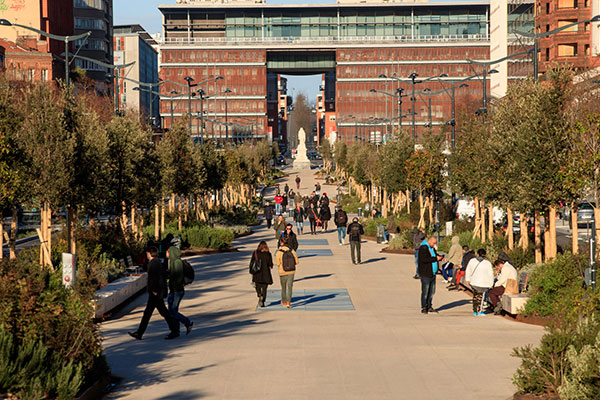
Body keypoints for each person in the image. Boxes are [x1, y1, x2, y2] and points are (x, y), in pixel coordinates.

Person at [129, 246, 180, 340]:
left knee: (158, 313)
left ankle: (174, 330)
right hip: (156, 292)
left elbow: (155, 279)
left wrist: (155, 291)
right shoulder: (157, 262)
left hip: (155, 293)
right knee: (152, 313)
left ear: (148, 253)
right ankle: (139, 333)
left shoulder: (153, 264)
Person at [166, 246, 193, 335]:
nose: (166, 253)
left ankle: (187, 323)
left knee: (173, 311)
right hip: (173, 290)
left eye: (167, 252)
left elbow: (178, 277)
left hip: (177, 290)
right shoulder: (171, 262)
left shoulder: (177, 262)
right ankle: (176, 330)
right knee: (172, 311)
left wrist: (174, 283)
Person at [418, 236, 444, 314]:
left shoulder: (432, 248)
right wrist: (435, 258)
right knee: (425, 291)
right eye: (434, 243)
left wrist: (439, 257)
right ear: (430, 241)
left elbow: (434, 255)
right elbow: (424, 259)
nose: (434, 245)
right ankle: (424, 307)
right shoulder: (424, 248)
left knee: (431, 291)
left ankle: (429, 305)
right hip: (426, 273)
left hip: (432, 273)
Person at [465, 248, 494, 316]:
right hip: (483, 283)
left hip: (473, 282)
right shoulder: (487, 263)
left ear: (477, 254)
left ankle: (475, 310)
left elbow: (468, 270)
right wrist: (491, 283)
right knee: (481, 298)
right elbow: (490, 274)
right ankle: (479, 311)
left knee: (475, 296)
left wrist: (467, 279)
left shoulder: (472, 261)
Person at [275, 236, 299, 308]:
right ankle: (289, 301)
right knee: (290, 287)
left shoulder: (279, 252)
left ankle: (284, 301)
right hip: (291, 271)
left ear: (281, 243)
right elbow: (297, 261)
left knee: (283, 287)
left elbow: (277, 263)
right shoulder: (292, 251)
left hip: (282, 271)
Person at [249, 241, 273, 307]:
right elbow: (270, 264)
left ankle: (259, 294)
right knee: (264, 288)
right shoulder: (268, 254)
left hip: (257, 273)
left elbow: (251, 263)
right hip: (266, 273)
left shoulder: (255, 253)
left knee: (257, 285)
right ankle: (263, 300)